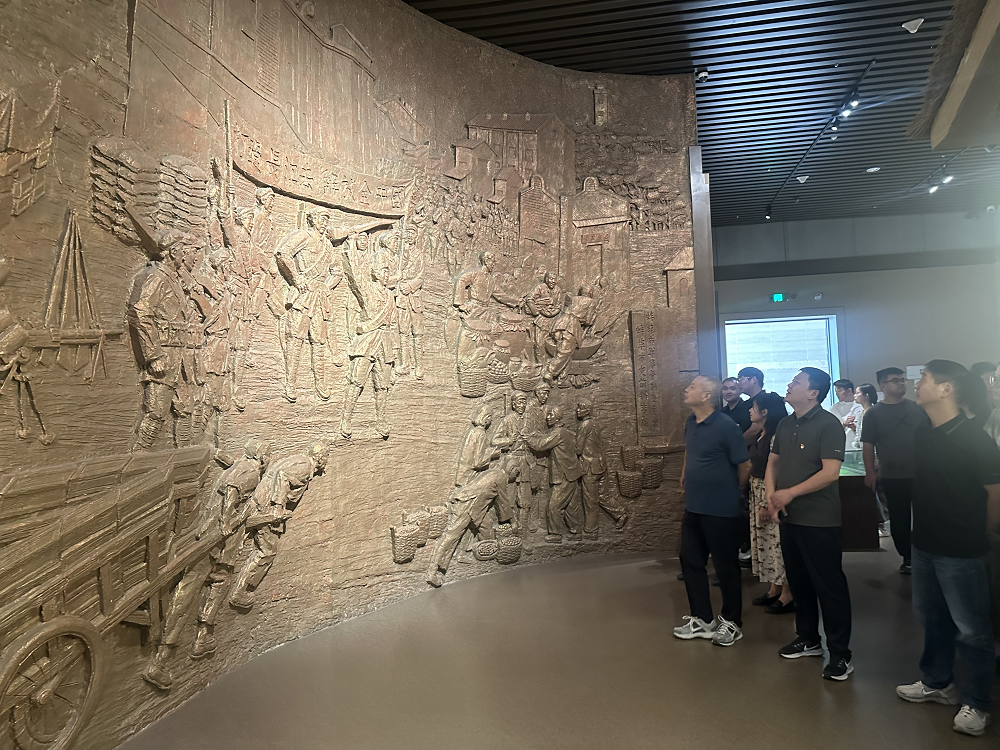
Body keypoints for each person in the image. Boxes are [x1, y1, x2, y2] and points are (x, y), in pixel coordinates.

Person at [896, 360, 1000, 737]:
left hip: (961, 549)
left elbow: (995, 496)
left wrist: (981, 534)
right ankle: (938, 682)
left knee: (972, 629)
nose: (916, 384)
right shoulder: (924, 431)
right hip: (925, 543)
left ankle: (978, 702)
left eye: (923, 378)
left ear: (946, 389)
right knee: (931, 616)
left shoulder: (975, 439)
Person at [764, 367, 852, 680]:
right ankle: (808, 638)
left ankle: (840, 653)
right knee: (799, 582)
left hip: (819, 520)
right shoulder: (786, 423)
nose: (789, 385)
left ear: (813, 393)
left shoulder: (828, 424)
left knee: (829, 586)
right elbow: (773, 463)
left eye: (797, 382)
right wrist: (772, 497)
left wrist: (790, 493)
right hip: (790, 518)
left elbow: (830, 473)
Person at [673, 376, 750, 648]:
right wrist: (685, 472)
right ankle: (702, 620)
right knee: (690, 560)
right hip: (694, 506)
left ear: (706, 396)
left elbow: (744, 465)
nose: (686, 389)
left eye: (692, 387)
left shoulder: (725, 425)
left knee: (725, 566)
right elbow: (690, 451)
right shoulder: (691, 422)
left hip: (721, 509)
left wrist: (731, 492)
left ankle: (732, 622)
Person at [861, 367, 929, 573]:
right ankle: (907, 557)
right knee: (899, 517)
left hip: (923, 473)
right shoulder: (874, 413)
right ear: (883, 386)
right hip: (893, 474)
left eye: (902, 380)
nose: (901, 383)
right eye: (895, 380)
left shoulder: (917, 408)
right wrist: (870, 472)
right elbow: (868, 444)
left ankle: (927, 555)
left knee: (925, 515)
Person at [747, 391, 794, 614]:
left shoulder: (776, 436)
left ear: (765, 412)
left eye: (754, 407)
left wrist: (768, 502)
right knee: (765, 541)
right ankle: (774, 587)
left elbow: (777, 471)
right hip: (757, 490)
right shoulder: (762, 433)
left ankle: (788, 593)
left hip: (770, 493)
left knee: (777, 543)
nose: (750, 411)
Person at [831, 379, 862, 448]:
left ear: (849, 391)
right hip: (841, 444)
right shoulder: (834, 408)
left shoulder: (860, 406)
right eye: (836, 391)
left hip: (857, 444)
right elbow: (832, 429)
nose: (837, 394)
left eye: (839, 391)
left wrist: (855, 427)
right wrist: (844, 424)